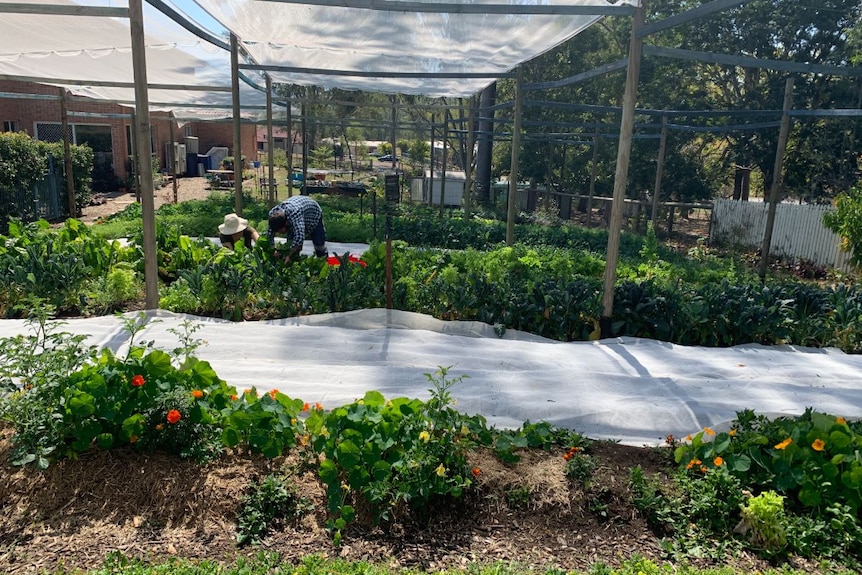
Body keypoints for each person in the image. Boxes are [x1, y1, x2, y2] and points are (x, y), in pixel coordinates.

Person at [267, 195, 327, 263]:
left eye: (280, 231)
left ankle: (325, 263)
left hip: (313, 214)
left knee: (319, 244)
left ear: (286, 223)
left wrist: (289, 255)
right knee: (290, 243)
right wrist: (273, 249)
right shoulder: (273, 215)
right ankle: (293, 263)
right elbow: (269, 235)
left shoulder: (295, 214)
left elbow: (299, 237)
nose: (279, 233)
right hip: (297, 211)